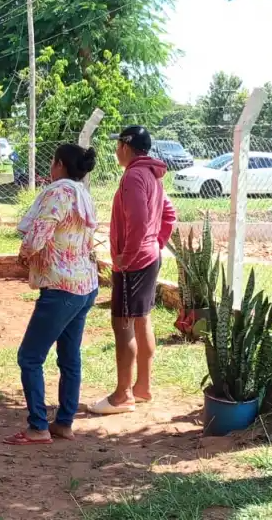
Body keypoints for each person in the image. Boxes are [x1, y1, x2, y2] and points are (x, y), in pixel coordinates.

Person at [3, 144, 100, 446]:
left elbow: (38, 234)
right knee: (69, 356)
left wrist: (23, 257)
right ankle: (64, 423)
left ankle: (38, 427)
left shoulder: (58, 192)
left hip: (61, 286)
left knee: (30, 357)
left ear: (58, 164)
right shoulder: (83, 193)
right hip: (85, 284)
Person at [89, 125, 176, 415]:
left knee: (123, 324)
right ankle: (142, 387)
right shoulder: (152, 175)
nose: (116, 151)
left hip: (135, 262)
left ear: (126, 146)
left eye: (118, 145)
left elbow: (138, 220)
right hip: (148, 257)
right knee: (141, 320)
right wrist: (156, 242)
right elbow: (169, 214)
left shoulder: (134, 176)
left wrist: (127, 256)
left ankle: (122, 395)